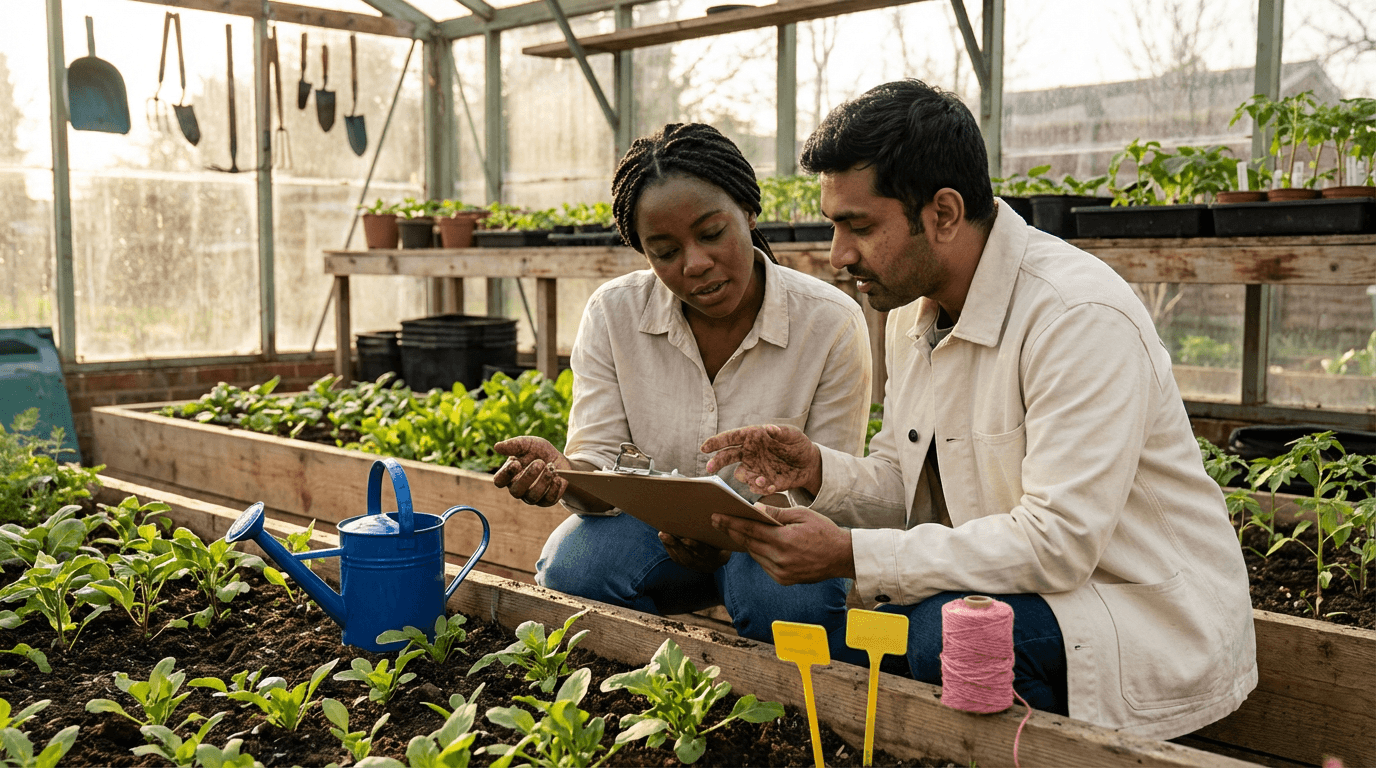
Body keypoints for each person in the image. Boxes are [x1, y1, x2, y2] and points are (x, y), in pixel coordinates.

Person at [698, 80, 1256, 738]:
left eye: (859, 226)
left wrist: (850, 553)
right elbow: (907, 482)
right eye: (833, 225)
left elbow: (1057, 544)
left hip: (1128, 615)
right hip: (1007, 590)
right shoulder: (916, 310)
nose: (837, 255)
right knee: (778, 591)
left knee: (951, 636)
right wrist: (817, 470)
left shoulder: (1074, 317)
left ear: (943, 213)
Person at [490, 122, 873, 644]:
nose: (695, 263)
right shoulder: (613, 313)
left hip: (774, 533)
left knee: (789, 605)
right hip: (653, 535)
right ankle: (648, 690)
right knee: (571, 570)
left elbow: (826, 499)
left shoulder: (829, 322)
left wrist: (734, 538)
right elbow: (599, 461)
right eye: (664, 251)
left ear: (748, 212)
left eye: (713, 233)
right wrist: (565, 473)